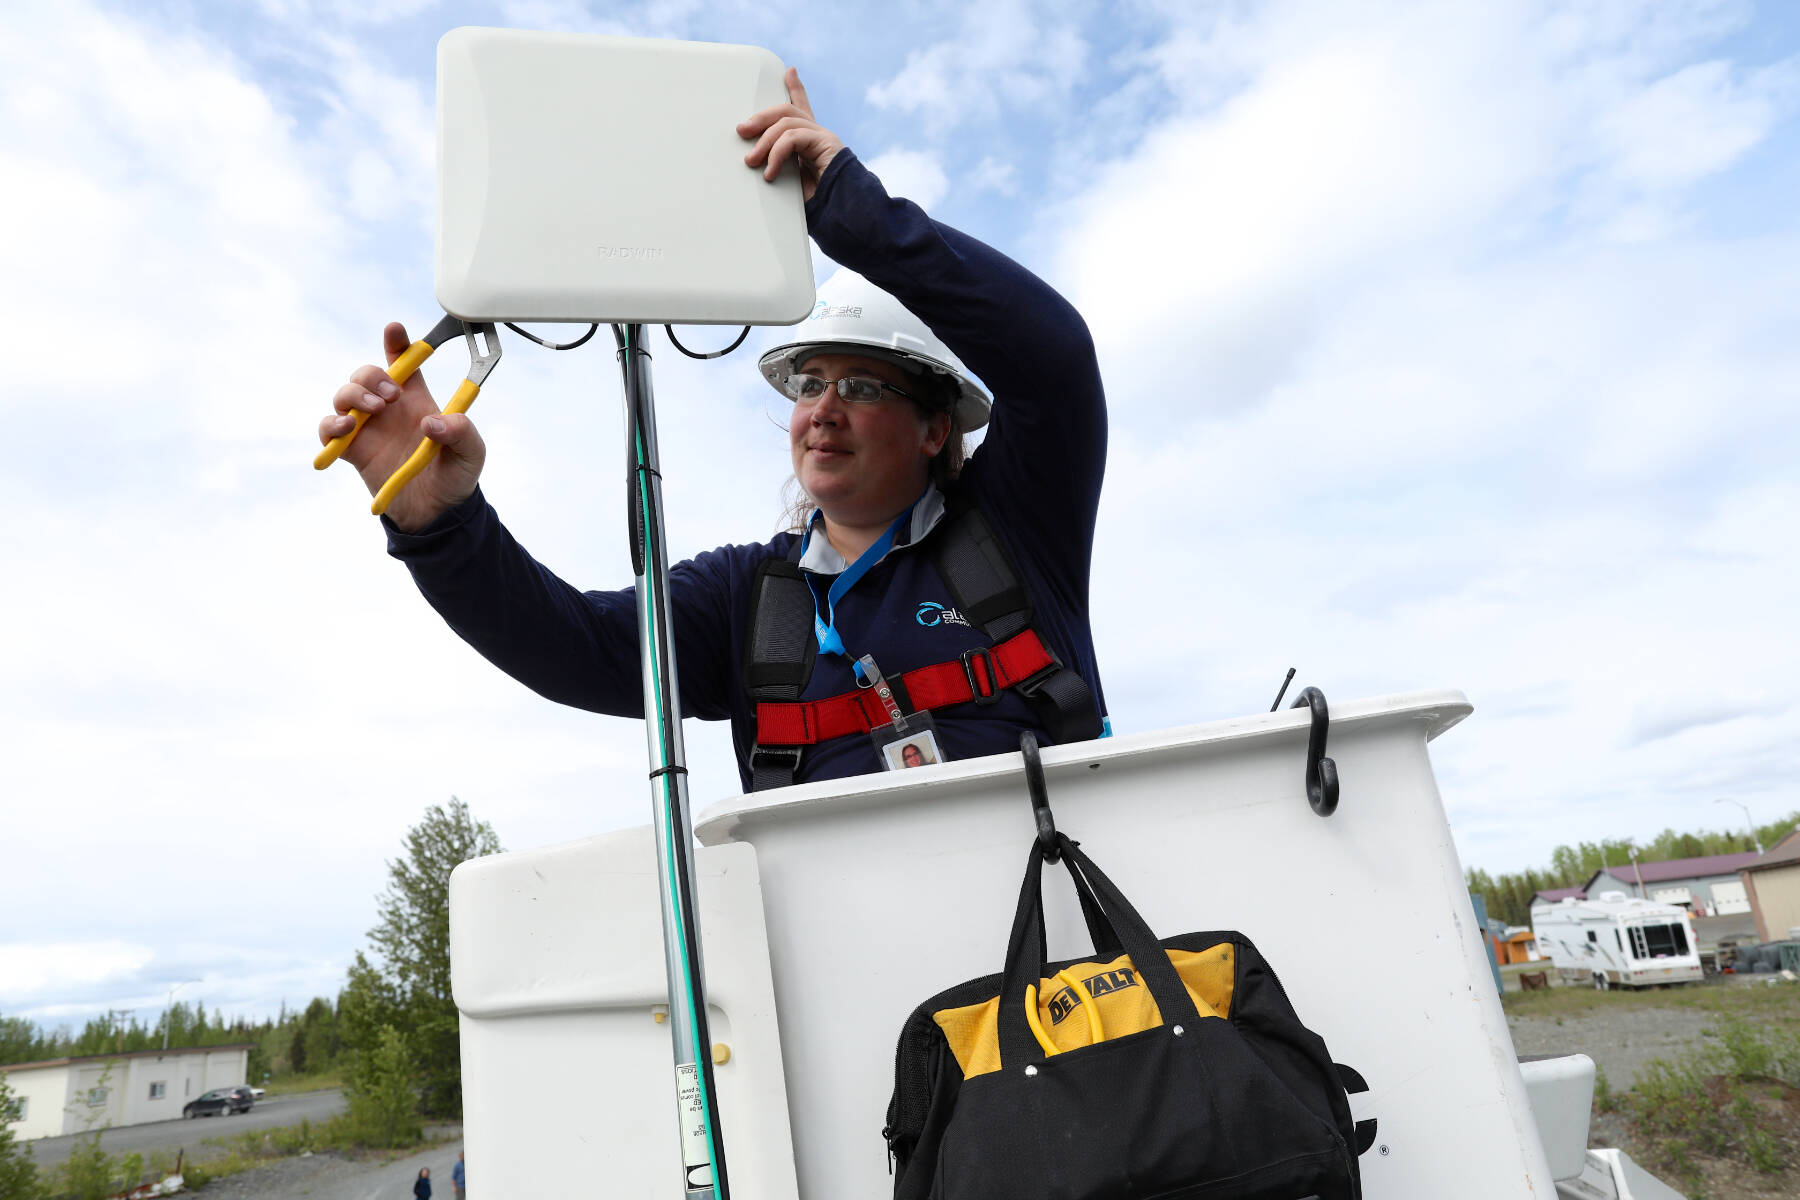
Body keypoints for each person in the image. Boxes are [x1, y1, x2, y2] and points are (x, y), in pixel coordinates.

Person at [319, 68, 1108, 790]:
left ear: (937, 429)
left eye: (862, 385)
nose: (823, 408)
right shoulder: (745, 597)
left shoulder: (1018, 529)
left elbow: (1055, 359)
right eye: (810, 383)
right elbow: (569, 646)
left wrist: (848, 211)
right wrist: (439, 525)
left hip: (1060, 932)